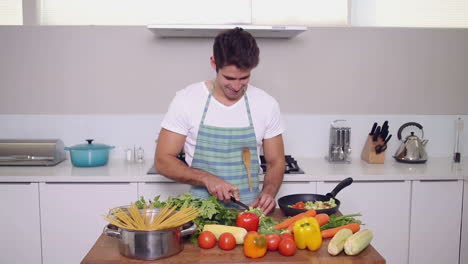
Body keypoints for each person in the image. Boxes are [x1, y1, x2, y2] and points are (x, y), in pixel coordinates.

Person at [155, 27, 285, 215]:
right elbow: (162, 160)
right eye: (229, 78)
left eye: (244, 78)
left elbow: (276, 162)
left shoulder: (266, 104)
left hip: (249, 214)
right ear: (214, 63)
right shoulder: (186, 100)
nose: (236, 86)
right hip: (199, 215)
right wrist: (207, 178)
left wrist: (269, 192)